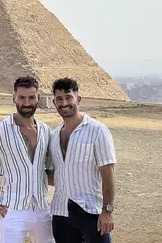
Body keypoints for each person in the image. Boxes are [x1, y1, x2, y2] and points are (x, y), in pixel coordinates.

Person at [0, 76, 55, 242]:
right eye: (21, 97)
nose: (27, 103)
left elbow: (48, 173)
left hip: (43, 209)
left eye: (31, 97)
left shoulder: (46, 131)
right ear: (14, 97)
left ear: (38, 98)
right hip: (11, 210)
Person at [48, 77, 117, 242]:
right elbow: (54, 174)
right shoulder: (53, 135)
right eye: (59, 99)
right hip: (60, 211)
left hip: (90, 211)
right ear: (54, 102)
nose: (64, 103)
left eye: (68, 97)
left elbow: (108, 172)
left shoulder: (97, 130)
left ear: (78, 99)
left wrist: (107, 211)